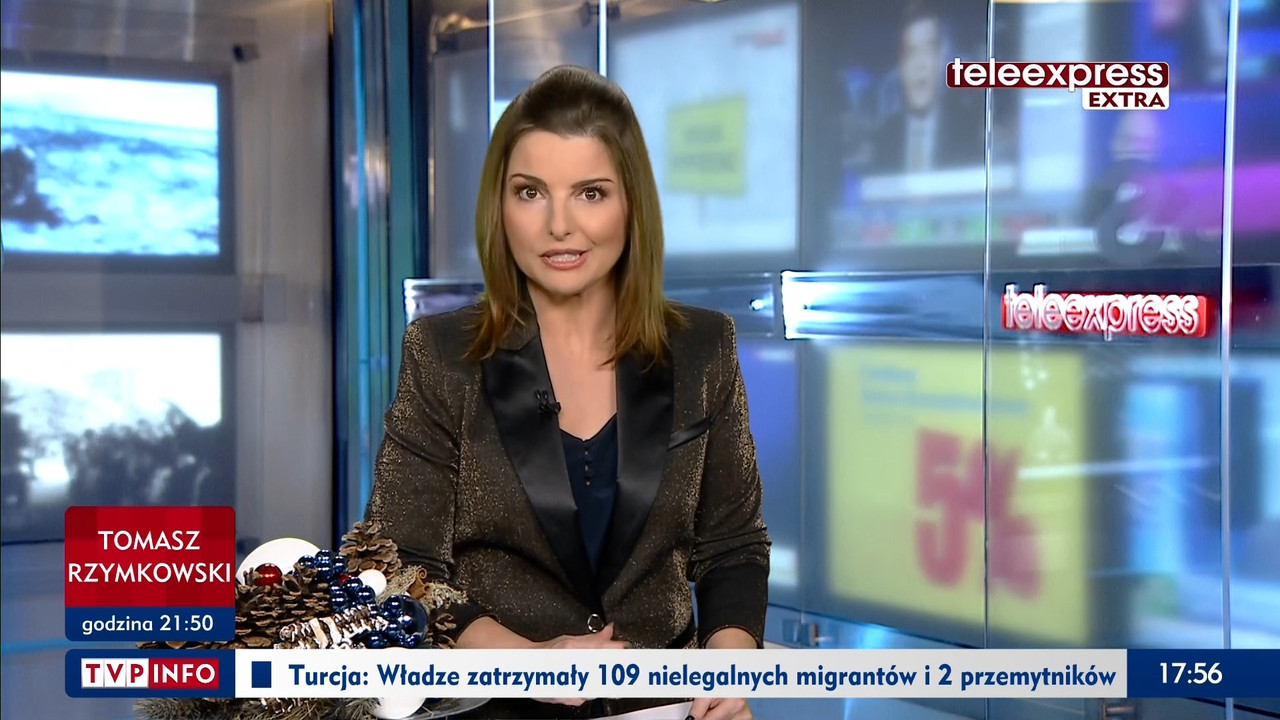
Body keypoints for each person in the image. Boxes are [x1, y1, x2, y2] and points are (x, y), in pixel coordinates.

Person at [365, 65, 770, 720]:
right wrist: (530, 659)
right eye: (530, 192)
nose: (559, 224)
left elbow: (733, 545)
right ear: (500, 207)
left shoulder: (703, 347)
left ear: (631, 203)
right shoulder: (441, 356)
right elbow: (400, 568)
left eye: (590, 193)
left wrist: (728, 665)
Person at [870, 0, 984, 174]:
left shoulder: (967, 131)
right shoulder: (884, 139)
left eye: (928, 50)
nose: (920, 64)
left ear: (941, 57)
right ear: (900, 65)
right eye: (911, 52)